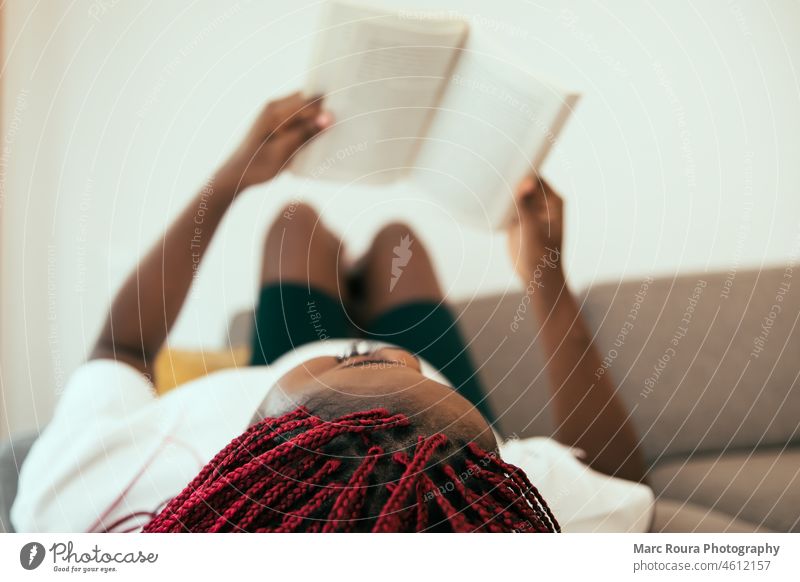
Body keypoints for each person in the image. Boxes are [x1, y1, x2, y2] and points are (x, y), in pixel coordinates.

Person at [12, 93, 652, 533]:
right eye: (404, 384)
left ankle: (333, 273)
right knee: (398, 241)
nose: (366, 356)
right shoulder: (494, 505)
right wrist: (544, 273)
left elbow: (121, 350)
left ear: (255, 453)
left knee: (296, 225)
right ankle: (382, 293)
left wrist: (236, 174)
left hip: (296, 402)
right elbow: (609, 484)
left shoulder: (82, 507)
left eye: (353, 366)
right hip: (415, 439)